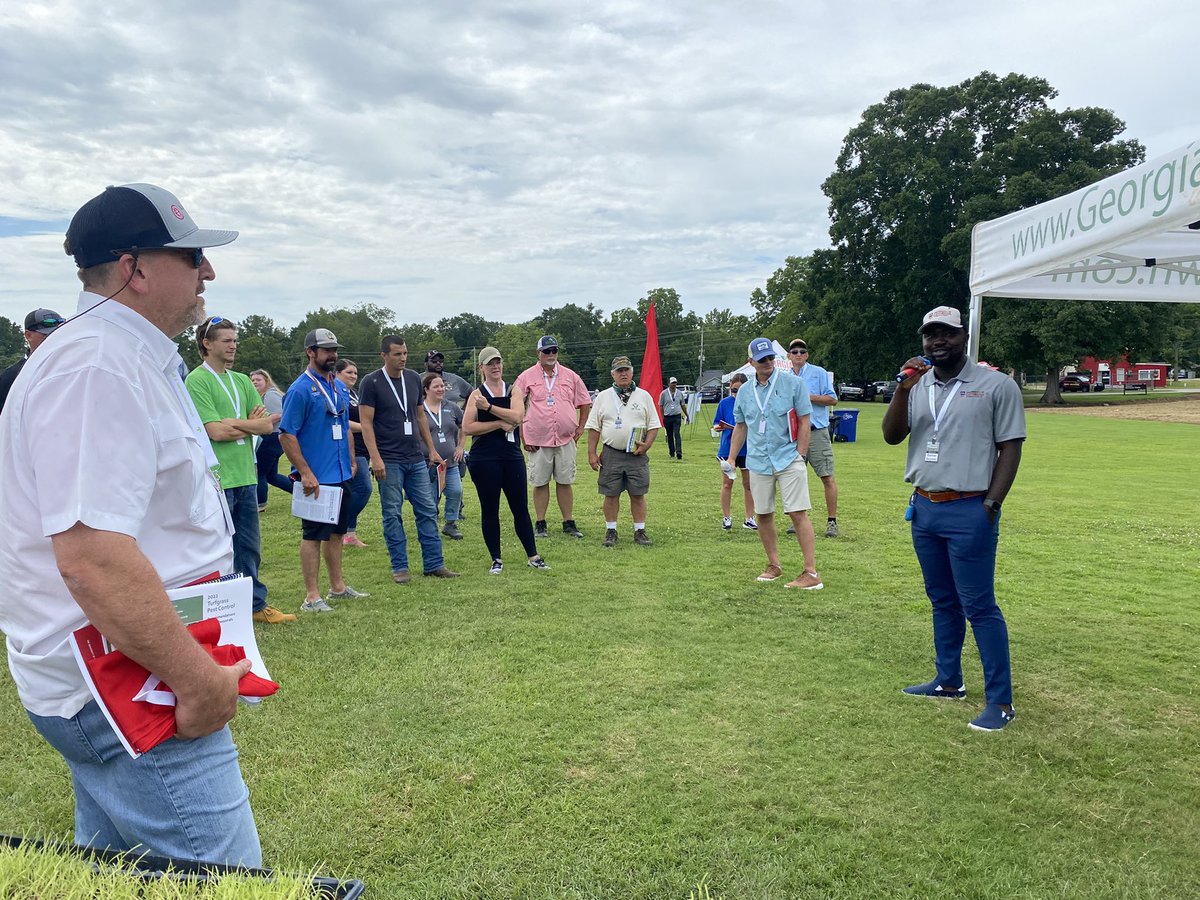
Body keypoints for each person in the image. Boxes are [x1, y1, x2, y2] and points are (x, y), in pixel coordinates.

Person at [0, 182, 261, 865]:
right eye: (192, 255)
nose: (208, 272)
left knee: (116, 875)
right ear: (134, 269)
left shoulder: (121, 358)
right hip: (129, 684)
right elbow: (91, 558)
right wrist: (197, 679)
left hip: (116, 672)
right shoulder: (96, 367)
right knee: (227, 880)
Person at [882, 305, 1025, 732]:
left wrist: (990, 507)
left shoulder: (996, 385)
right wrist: (903, 390)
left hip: (971, 507)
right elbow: (892, 436)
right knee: (942, 600)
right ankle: (948, 682)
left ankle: (1000, 702)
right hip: (924, 506)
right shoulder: (918, 385)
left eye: (946, 333)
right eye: (930, 335)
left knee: (979, 606)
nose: (937, 341)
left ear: (964, 337)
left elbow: (1010, 448)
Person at [185, 317, 294, 625]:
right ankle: (221, 612)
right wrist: (246, 425)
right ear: (207, 344)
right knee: (219, 550)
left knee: (249, 547)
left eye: (235, 340)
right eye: (226, 340)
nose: (233, 346)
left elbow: (265, 424)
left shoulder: (243, 381)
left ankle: (255, 605)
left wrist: (232, 423)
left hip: (246, 473)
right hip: (218, 478)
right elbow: (213, 432)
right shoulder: (197, 380)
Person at [278, 328, 371, 612]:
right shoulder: (300, 389)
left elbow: (344, 426)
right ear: (310, 352)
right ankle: (311, 596)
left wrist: (353, 459)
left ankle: (338, 587)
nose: (332, 355)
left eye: (335, 350)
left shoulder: (339, 386)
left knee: (336, 533)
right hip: (316, 477)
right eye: (326, 350)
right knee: (313, 535)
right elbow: (286, 434)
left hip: (341, 472)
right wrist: (305, 472)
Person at [725, 337, 823, 590]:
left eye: (770, 358)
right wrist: (732, 457)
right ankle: (774, 565)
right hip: (758, 460)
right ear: (751, 362)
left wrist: (800, 454)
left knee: (797, 512)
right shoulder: (744, 392)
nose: (767, 362)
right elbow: (741, 426)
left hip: (788, 457)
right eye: (761, 359)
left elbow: (804, 420)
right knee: (763, 513)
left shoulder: (793, 383)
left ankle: (811, 572)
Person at [359, 336, 458, 583]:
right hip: (389, 460)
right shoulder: (371, 382)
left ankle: (434, 564)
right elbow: (366, 423)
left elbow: (420, 416)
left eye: (404, 353)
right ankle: (400, 567)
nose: (402, 358)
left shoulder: (414, 378)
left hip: (415, 458)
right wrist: (375, 457)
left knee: (427, 510)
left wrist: (431, 449)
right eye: (396, 354)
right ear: (384, 355)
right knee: (392, 513)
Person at [462, 347, 548, 574]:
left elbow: (518, 416)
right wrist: (499, 424)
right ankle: (496, 559)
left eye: (498, 362)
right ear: (482, 368)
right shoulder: (476, 394)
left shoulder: (513, 390)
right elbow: (468, 427)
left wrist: (489, 409)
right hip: (484, 458)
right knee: (489, 509)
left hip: (511, 456)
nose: (495, 367)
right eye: (490, 363)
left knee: (520, 507)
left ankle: (533, 555)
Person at [514, 335, 592, 539]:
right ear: (538, 353)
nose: (551, 354)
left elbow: (585, 402)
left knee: (565, 480)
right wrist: (523, 434)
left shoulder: (570, 376)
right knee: (539, 482)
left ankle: (568, 521)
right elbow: (516, 406)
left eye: (554, 350)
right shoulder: (526, 377)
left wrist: (581, 426)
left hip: (566, 438)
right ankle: (540, 523)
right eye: (546, 351)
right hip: (537, 440)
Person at [587, 356, 661, 547]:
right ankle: (611, 531)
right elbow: (594, 428)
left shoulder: (644, 396)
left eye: (626, 370)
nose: (623, 374)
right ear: (613, 374)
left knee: (638, 494)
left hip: (637, 454)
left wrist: (647, 445)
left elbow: (653, 425)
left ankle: (640, 531)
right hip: (611, 453)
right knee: (610, 494)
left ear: (632, 372)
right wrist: (592, 453)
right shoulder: (603, 397)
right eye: (619, 371)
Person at [787, 338, 840, 538]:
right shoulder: (784, 376)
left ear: (807, 355)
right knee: (794, 477)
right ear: (789, 356)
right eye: (794, 352)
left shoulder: (819, 373)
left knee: (826, 476)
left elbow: (832, 398)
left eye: (802, 351)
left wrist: (807, 397)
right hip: (793, 434)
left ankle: (832, 522)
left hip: (816, 431)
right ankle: (797, 520)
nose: (798, 355)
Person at [425, 349, 471, 519]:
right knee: (430, 494)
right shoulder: (418, 380)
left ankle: (452, 519)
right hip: (427, 458)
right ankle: (431, 515)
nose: (438, 364)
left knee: (455, 489)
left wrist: (466, 411)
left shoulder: (454, 381)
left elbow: (471, 393)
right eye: (434, 361)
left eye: (440, 361)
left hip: (450, 449)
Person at [421, 371, 465, 540]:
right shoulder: (420, 409)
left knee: (455, 491)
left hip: (450, 463)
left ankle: (450, 523)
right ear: (426, 389)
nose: (440, 389)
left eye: (442, 386)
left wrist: (460, 446)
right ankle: (428, 526)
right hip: (428, 464)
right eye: (436, 386)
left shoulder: (452, 407)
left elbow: (464, 427)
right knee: (431, 497)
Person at [0, 308, 66, 413]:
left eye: (58, 334)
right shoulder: (11, 377)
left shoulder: (71, 367)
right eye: (47, 335)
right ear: (28, 335)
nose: (54, 339)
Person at [336, 359, 372, 548]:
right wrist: (367, 428)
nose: (353, 376)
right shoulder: (334, 392)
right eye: (349, 372)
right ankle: (338, 525)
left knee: (351, 491)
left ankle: (349, 534)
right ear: (337, 373)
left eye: (355, 373)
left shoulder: (354, 394)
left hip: (363, 447)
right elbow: (342, 422)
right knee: (364, 488)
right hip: (349, 449)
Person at [713, 373, 755, 531]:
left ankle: (749, 518)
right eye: (733, 390)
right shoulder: (724, 403)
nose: (735, 393)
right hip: (727, 447)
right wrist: (720, 427)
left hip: (747, 448)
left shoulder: (751, 402)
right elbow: (716, 423)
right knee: (727, 483)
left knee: (749, 484)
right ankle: (726, 517)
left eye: (738, 390)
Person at [250, 369, 293, 510]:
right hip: (273, 437)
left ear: (266, 381)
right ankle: (301, 493)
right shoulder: (262, 395)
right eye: (253, 380)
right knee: (271, 475)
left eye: (258, 379)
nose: (255, 382)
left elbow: (279, 414)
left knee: (260, 472)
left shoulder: (270, 395)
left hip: (272, 437)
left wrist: (261, 422)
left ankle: (260, 504)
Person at [659, 376, 688, 460]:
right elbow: (661, 406)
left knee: (677, 434)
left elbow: (683, 405)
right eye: (672, 383)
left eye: (675, 383)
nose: (674, 385)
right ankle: (672, 452)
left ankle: (679, 453)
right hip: (667, 417)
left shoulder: (679, 393)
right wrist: (662, 417)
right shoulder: (664, 393)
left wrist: (687, 415)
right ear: (669, 384)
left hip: (677, 416)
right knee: (670, 435)